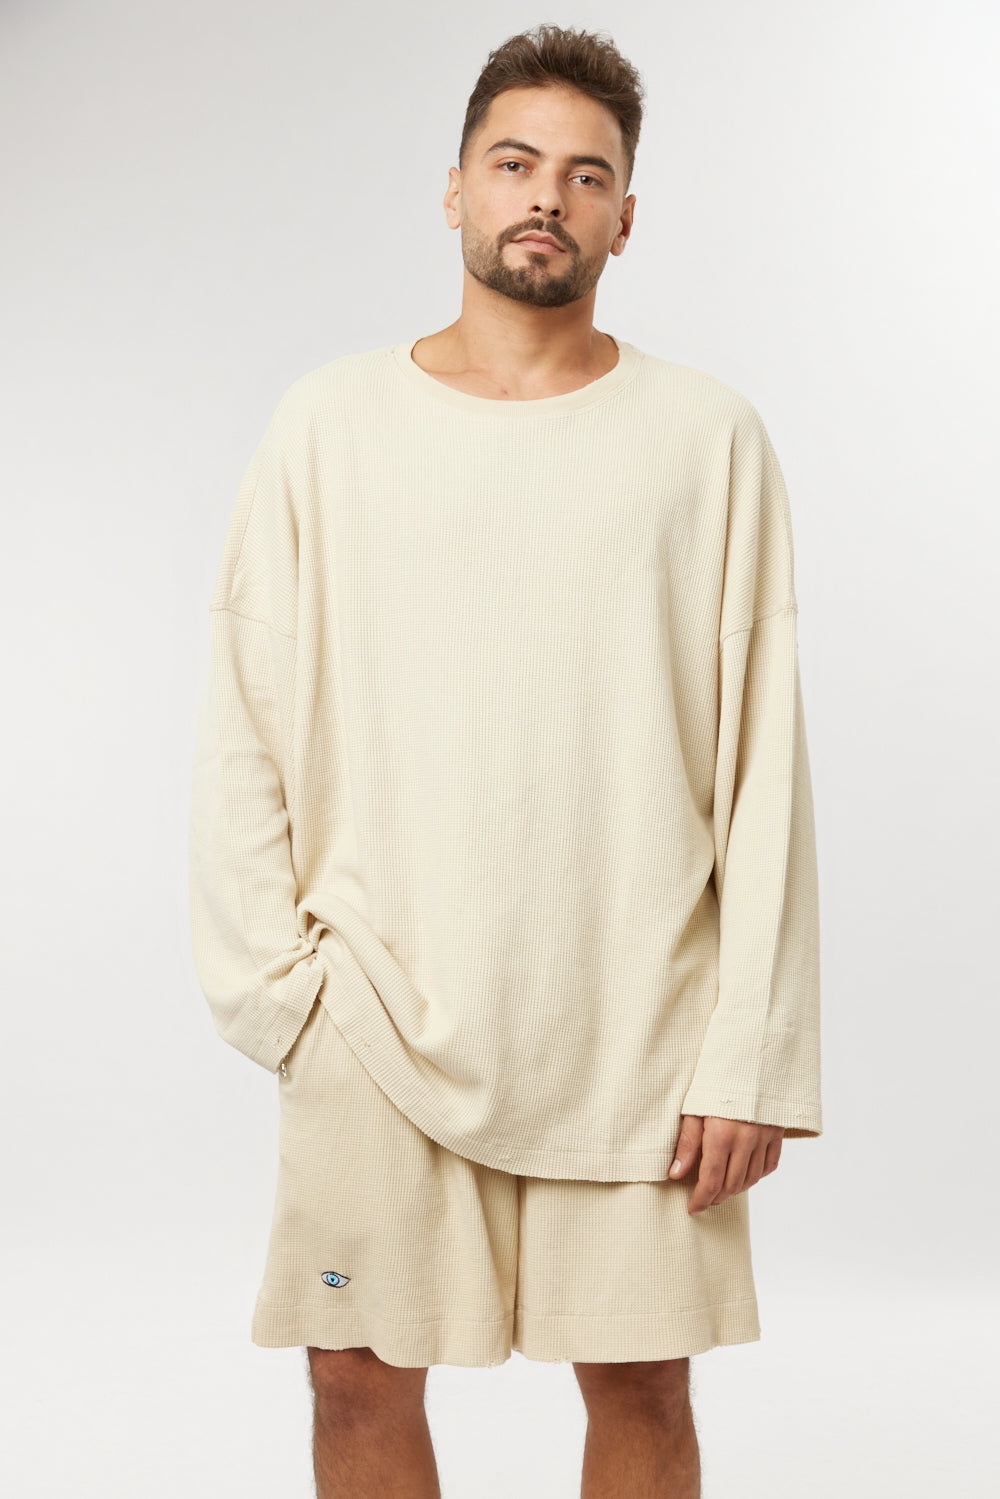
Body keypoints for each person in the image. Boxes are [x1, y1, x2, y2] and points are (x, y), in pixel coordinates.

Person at [188, 22, 822, 1499]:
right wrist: (280, 994)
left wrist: (750, 1049)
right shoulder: (329, 425)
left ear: (625, 217)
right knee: (353, 1378)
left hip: (637, 1018)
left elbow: (763, 761)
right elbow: (244, 717)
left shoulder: (706, 439)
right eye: (515, 162)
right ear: (456, 188)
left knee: (642, 1382)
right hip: (374, 1008)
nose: (548, 194)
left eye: (586, 175)